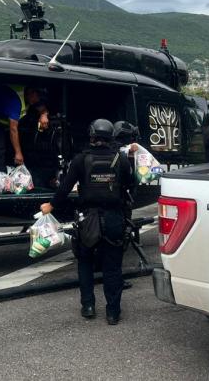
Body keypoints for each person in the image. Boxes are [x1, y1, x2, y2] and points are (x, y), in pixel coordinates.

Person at [40, 119, 134, 325]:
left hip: (87, 219)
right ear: (111, 137)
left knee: (85, 262)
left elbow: (64, 188)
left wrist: (50, 206)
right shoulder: (122, 159)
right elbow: (129, 185)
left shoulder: (81, 159)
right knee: (113, 266)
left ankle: (88, 306)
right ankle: (113, 312)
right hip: (114, 219)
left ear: (91, 136)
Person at [0, 84, 48, 173]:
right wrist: (18, 153)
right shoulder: (15, 102)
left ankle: (1, 173)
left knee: (0, 145)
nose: (37, 100)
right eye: (37, 97)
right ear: (31, 93)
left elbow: (42, 108)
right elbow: (13, 129)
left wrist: (44, 115)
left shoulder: (31, 98)